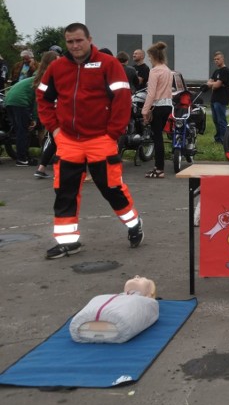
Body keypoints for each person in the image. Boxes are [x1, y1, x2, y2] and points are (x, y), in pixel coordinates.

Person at [36, 22, 142, 259]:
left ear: (89, 39)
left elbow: (122, 98)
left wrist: (113, 133)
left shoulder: (108, 64)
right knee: (65, 192)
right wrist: (53, 129)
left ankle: (134, 223)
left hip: (101, 140)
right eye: (70, 41)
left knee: (111, 188)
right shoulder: (57, 67)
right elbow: (42, 97)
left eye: (78, 40)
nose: (74, 45)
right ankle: (68, 242)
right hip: (68, 141)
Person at [5, 51, 59, 166]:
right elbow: (37, 100)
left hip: (10, 99)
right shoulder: (44, 77)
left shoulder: (39, 73)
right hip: (20, 101)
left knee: (21, 130)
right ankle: (22, 159)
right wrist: (35, 117)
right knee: (23, 130)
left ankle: (23, 156)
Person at [141, 42, 173, 179]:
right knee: (159, 136)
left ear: (153, 56)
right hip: (167, 105)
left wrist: (145, 110)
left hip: (157, 106)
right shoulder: (167, 70)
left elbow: (151, 93)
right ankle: (158, 167)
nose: (148, 59)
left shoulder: (154, 71)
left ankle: (159, 168)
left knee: (157, 138)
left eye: (149, 56)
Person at [206, 51, 229, 144]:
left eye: (218, 59)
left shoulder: (225, 71)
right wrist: (214, 83)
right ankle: (218, 138)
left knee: (221, 120)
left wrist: (214, 83)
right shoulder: (216, 71)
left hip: (221, 100)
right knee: (215, 120)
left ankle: (224, 139)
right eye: (215, 59)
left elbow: (216, 85)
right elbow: (209, 83)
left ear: (222, 59)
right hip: (214, 99)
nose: (216, 61)